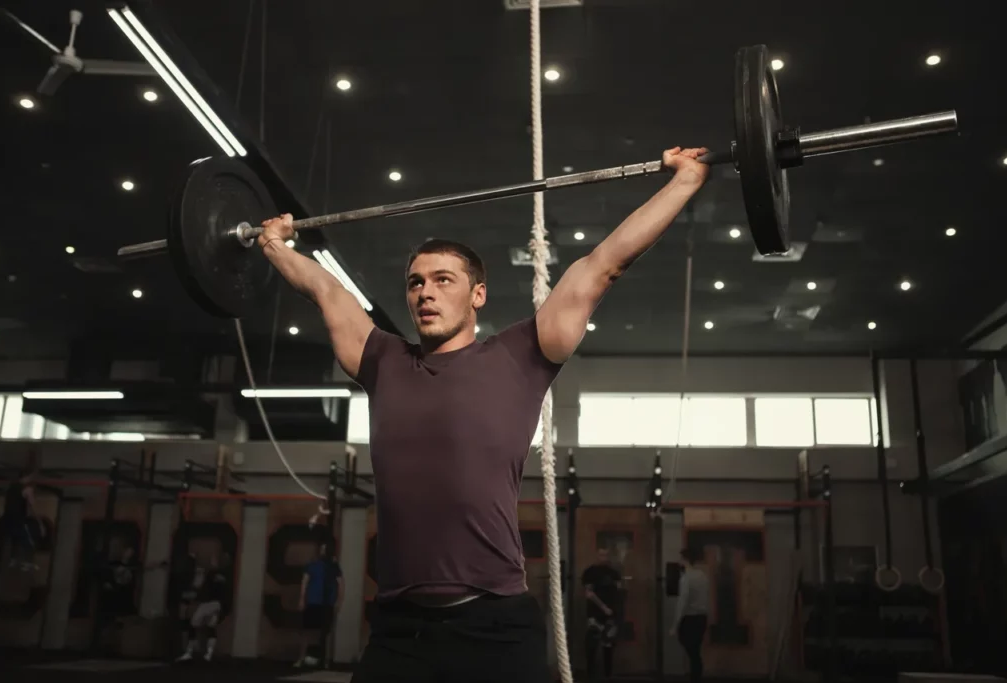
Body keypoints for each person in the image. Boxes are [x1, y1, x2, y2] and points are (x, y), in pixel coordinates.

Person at [257, 146, 710, 682]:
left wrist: (686, 180)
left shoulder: (521, 355)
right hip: (400, 630)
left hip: (493, 626)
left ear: (478, 294)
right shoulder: (381, 361)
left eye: (443, 279)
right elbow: (326, 290)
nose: (426, 292)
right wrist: (273, 245)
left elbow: (603, 265)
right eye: (416, 282)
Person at [295, 543, 344, 668]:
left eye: (324, 549)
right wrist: (301, 599)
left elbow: (341, 584)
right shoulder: (312, 565)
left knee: (326, 633)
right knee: (307, 631)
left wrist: (339, 601)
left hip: (327, 603)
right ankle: (301, 659)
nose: (323, 551)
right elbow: (304, 582)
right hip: (313, 602)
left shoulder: (334, 566)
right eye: (321, 549)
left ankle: (325, 661)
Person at [176, 553, 232, 663]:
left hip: (210, 603)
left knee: (194, 623)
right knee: (211, 626)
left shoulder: (212, 574)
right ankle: (208, 654)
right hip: (217, 604)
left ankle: (190, 652)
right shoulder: (225, 575)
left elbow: (201, 588)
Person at [582, 547, 622, 681]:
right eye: (601, 555)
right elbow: (589, 594)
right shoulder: (590, 572)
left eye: (606, 555)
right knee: (592, 645)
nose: (603, 557)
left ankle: (608, 675)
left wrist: (615, 611)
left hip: (610, 614)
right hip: (595, 613)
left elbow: (619, 592)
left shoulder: (614, 573)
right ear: (596, 555)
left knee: (608, 645)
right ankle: (590, 676)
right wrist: (603, 607)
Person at [671, 547, 710, 683]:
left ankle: (695, 677)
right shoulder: (703, 576)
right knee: (695, 651)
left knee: (692, 652)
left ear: (685, 560)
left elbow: (682, 603)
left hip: (690, 619)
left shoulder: (686, 578)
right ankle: (696, 676)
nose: (678, 561)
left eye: (680, 558)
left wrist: (675, 625)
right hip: (702, 618)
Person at [1, 468, 46, 572]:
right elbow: (33, 507)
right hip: (18, 519)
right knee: (29, 541)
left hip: (8, 518)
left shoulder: (12, 487)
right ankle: (27, 562)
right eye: (32, 477)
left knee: (15, 539)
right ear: (27, 477)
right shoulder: (27, 489)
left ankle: (13, 560)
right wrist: (40, 524)